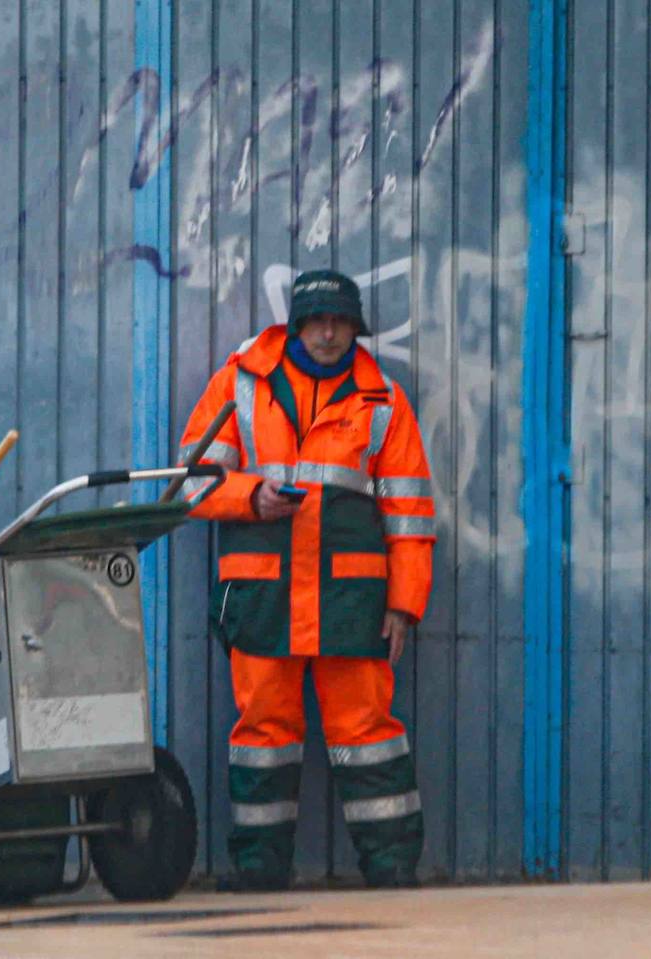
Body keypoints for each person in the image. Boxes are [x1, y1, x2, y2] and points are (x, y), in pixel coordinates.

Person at [178, 268, 435, 890]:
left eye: (341, 321)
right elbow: (190, 480)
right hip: (262, 596)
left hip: (352, 601)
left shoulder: (384, 401)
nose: (329, 332)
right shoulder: (240, 383)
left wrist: (404, 604)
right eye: (318, 320)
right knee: (263, 733)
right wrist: (249, 496)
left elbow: (411, 512)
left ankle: (393, 870)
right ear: (295, 324)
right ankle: (259, 872)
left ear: (355, 328)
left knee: (368, 732)